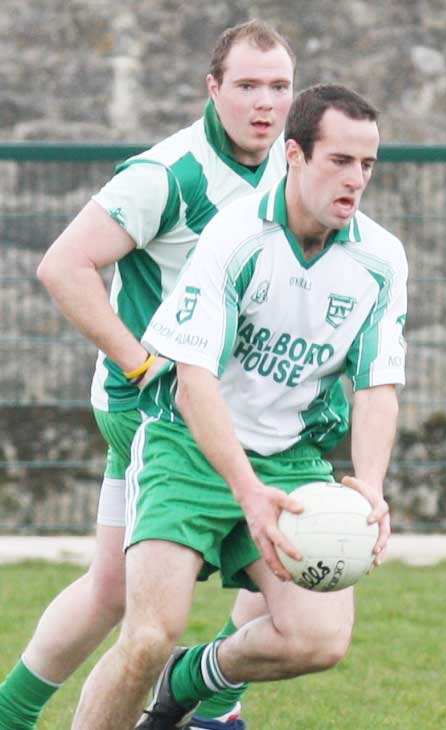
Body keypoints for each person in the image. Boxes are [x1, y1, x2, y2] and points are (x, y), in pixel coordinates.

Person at [68, 83, 408, 730]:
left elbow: (376, 386)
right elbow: (193, 377)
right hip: (187, 446)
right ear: (295, 156)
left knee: (319, 640)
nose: (356, 179)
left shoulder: (381, 259)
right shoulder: (236, 235)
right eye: (340, 160)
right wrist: (246, 491)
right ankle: (157, 672)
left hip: (291, 460)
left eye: (367, 165)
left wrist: (370, 483)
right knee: (145, 640)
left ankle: (192, 679)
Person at [0, 19, 296, 730]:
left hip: (230, 407)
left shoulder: (288, 166)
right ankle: (211, 709)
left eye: (280, 86)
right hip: (153, 410)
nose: (265, 101)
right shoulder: (171, 173)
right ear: (212, 88)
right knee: (271, 547)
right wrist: (141, 363)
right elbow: (62, 265)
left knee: (113, 588)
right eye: (248, 85)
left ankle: (17, 714)